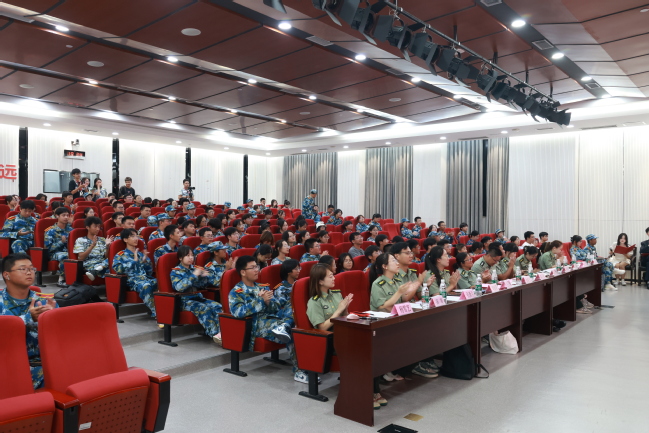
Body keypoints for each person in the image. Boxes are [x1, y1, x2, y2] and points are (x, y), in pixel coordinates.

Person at [228, 256, 303, 382]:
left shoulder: (263, 287)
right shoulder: (236, 292)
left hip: (273, 318)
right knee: (293, 331)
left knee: (293, 307)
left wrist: (268, 302)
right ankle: (300, 371)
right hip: (256, 324)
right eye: (252, 267)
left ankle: (284, 325)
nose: (256, 270)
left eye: (257, 266)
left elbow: (275, 307)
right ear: (243, 272)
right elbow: (238, 312)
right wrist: (261, 301)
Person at [369, 253, 437, 380]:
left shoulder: (397, 281)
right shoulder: (377, 284)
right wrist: (399, 293)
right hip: (384, 322)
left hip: (398, 319)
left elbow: (404, 298)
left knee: (425, 329)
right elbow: (383, 306)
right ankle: (394, 369)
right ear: (384, 266)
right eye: (393, 261)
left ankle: (405, 367)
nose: (397, 264)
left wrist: (424, 285)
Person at [0, 253, 57, 389]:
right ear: (6, 275)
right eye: (23, 269)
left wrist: (53, 317)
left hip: (44, 362)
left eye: (31, 268)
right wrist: (28, 318)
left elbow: (60, 337)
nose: (29, 272)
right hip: (8, 365)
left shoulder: (44, 301)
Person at [171, 246, 222, 344]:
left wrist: (204, 277)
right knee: (204, 308)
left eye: (192, 255)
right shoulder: (176, 271)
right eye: (187, 255)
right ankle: (215, 335)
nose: (191, 258)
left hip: (198, 297)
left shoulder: (195, 269)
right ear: (180, 258)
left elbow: (202, 285)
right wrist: (194, 275)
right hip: (185, 301)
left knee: (217, 306)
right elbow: (179, 287)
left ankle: (223, 332)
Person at [113, 228, 157, 318]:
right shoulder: (120, 255)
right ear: (125, 239)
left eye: (137, 236)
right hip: (132, 281)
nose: (136, 239)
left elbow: (149, 272)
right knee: (146, 286)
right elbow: (118, 269)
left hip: (145, 278)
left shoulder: (140, 254)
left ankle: (166, 310)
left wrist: (146, 262)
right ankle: (157, 313)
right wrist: (133, 261)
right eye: (132, 236)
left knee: (161, 283)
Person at [73, 216, 114, 281]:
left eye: (99, 227)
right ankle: (97, 269)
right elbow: (81, 257)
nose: (97, 229)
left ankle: (96, 270)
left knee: (114, 260)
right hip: (89, 264)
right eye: (95, 226)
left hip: (103, 262)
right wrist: (92, 245)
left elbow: (105, 257)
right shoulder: (80, 240)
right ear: (87, 227)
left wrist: (107, 246)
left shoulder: (102, 240)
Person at [44, 207, 72, 287]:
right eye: (63, 215)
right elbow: (48, 248)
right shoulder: (51, 230)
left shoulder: (71, 230)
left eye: (67, 215)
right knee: (65, 256)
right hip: (54, 253)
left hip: (68, 251)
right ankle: (61, 279)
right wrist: (61, 242)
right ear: (57, 216)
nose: (66, 217)